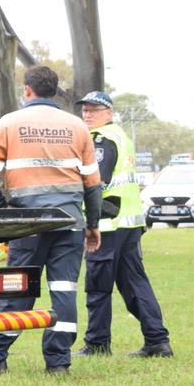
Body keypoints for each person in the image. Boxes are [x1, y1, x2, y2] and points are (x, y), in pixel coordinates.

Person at [0, 66, 103, 375]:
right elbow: (93, 185)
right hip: (70, 224)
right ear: (54, 91)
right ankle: (58, 363)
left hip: (28, 225)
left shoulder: (10, 123)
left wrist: (7, 214)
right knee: (63, 290)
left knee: (17, 291)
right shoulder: (77, 126)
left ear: (27, 90)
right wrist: (92, 225)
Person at [74, 90, 172, 358]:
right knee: (135, 284)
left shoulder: (102, 139)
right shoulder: (121, 135)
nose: (88, 114)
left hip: (107, 225)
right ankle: (157, 341)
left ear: (109, 113)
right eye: (85, 109)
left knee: (97, 287)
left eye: (94, 109)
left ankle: (97, 345)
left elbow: (97, 180)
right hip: (128, 223)